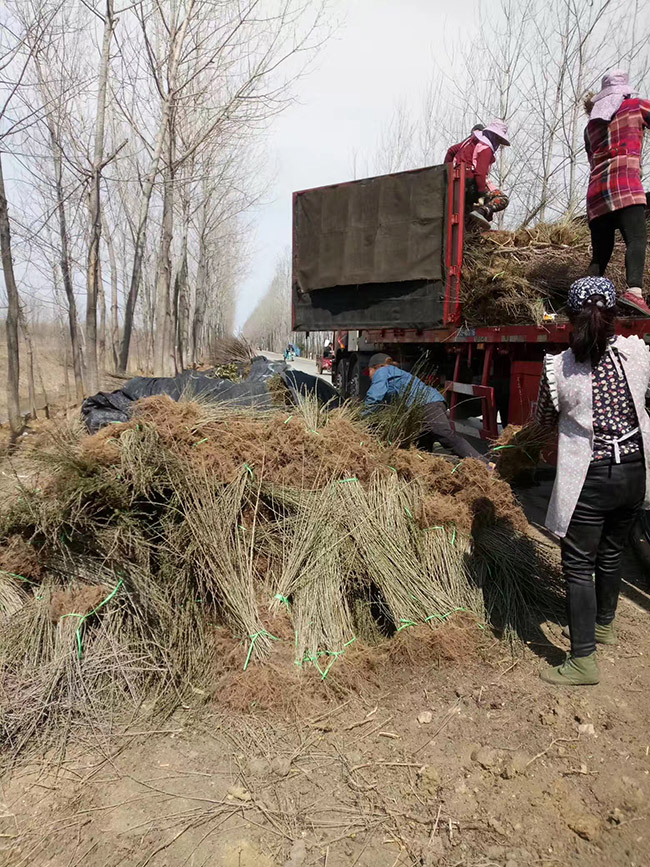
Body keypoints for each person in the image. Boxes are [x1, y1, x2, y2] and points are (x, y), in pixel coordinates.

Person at [535, 276, 650, 686]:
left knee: (579, 564)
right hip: (635, 473)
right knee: (613, 551)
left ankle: (583, 660)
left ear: (571, 317)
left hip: (591, 476)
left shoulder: (560, 367)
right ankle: (604, 625)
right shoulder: (638, 354)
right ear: (615, 315)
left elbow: (543, 421)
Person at [584, 70, 650, 316]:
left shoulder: (590, 126)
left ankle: (586, 299)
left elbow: (592, 160)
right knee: (636, 239)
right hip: (626, 186)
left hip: (596, 194)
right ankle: (634, 291)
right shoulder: (636, 106)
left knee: (601, 253)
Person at [364, 353, 489, 463]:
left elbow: (374, 397)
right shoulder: (395, 373)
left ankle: (484, 464)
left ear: (376, 367)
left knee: (446, 437)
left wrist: (362, 419)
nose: (369, 375)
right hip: (429, 405)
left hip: (427, 405)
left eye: (369, 371)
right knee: (421, 446)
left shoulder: (382, 371)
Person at [444, 120, 511, 229]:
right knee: (502, 199)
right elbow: (480, 173)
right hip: (472, 186)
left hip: (459, 184)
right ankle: (481, 212)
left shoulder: (469, 142)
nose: (498, 143)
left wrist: (448, 173)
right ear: (493, 135)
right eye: (498, 139)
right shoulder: (486, 148)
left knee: (466, 217)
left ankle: (470, 229)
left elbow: (451, 151)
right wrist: (481, 195)